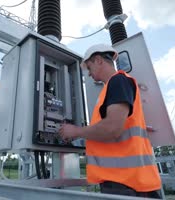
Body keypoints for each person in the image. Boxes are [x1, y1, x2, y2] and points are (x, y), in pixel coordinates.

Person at [59, 44, 162, 198]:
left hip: (125, 183)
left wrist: (76, 131)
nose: (88, 74)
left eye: (89, 67)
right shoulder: (112, 86)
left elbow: (112, 128)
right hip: (128, 181)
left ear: (99, 60)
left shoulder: (118, 81)